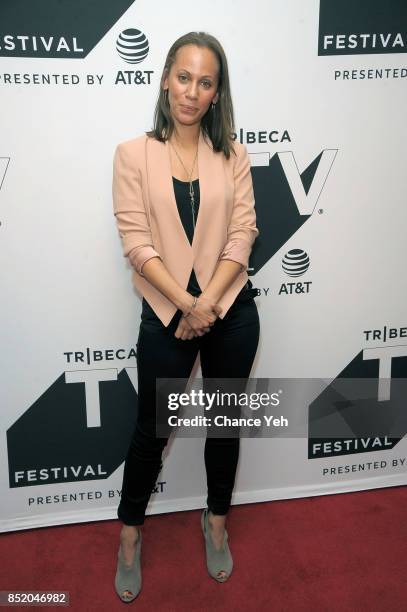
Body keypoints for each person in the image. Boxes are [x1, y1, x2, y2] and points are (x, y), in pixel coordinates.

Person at [112, 31, 260, 602]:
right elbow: (136, 242)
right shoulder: (132, 154)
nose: (191, 92)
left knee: (224, 426)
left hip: (232, 311)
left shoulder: (235, 154)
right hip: (165, 312)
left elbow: (243, 233)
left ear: (217, 93)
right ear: (165, 78)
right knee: (152, 432)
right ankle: (130, 537)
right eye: (183, 77)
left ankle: (215, 522)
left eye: (205, 82)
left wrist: (209, 305)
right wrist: (185, 305)